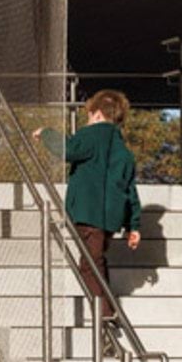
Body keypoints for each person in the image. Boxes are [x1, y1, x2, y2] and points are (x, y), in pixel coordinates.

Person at [57, 89, 141, 320]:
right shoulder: (123, 151)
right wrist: (133, 225)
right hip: (109, 220)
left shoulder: (90, 135)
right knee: (96, 260)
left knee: (90, 265)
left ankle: (105, 315)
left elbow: (67, 150)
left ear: (95, 113)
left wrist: (46, 134)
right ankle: (106, 311)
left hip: (86, 213)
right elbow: (130, 190)